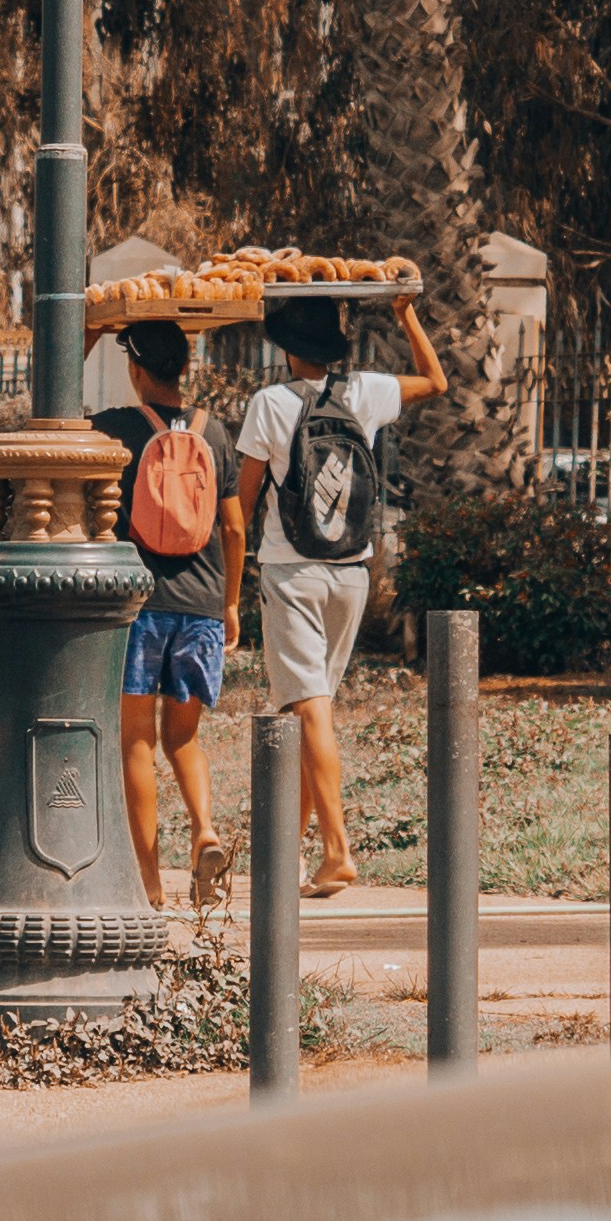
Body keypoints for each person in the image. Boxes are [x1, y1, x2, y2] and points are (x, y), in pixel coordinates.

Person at [236, 291, 448, 896]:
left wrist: (230, 577)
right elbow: (434, 381)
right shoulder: (363, 394)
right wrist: (406, 311)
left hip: (293, 571)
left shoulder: (269, 403)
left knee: (310, 709)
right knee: (314, 708)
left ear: (284, 348)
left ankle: (337, 849)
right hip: (352, 573)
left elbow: (245, 501)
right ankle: (291, 857)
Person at [91, 317, 247, 909]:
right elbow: (233, 527)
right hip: (203, 607)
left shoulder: (116, 432)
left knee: (136, 741)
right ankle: (204, 830)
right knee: (183, 739)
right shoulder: (218, 433)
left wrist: (79, 337)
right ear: (185, 367)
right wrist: (229, 602)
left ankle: (149, 882)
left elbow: (48, 423)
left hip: (141, 607)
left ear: (135, 369)